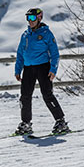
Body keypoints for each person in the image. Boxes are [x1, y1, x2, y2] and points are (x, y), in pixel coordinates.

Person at [13, 7, 69, 135]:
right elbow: (20, 54)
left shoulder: (46, 34)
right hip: (28, 69)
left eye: (32, 18)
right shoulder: (25, 35)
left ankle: (61, 121)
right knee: (25, 96)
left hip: (43, 67)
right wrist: (18, 70)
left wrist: (53, 69)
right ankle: (26, 123)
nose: (30, 21)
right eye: (28, 18)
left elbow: (55, 54)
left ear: (39, 18)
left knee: (47, 94)